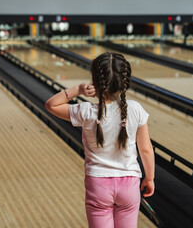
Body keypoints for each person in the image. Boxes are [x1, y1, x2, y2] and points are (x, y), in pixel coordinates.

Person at [45, 52, 155, 228]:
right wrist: (149, 178)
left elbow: (51, 105)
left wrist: (79, 89)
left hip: (98, 185)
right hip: (129, 184)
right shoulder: (136, 109)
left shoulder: (87, 111)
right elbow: (146, 149)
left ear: (95, 82)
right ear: (124, 83)